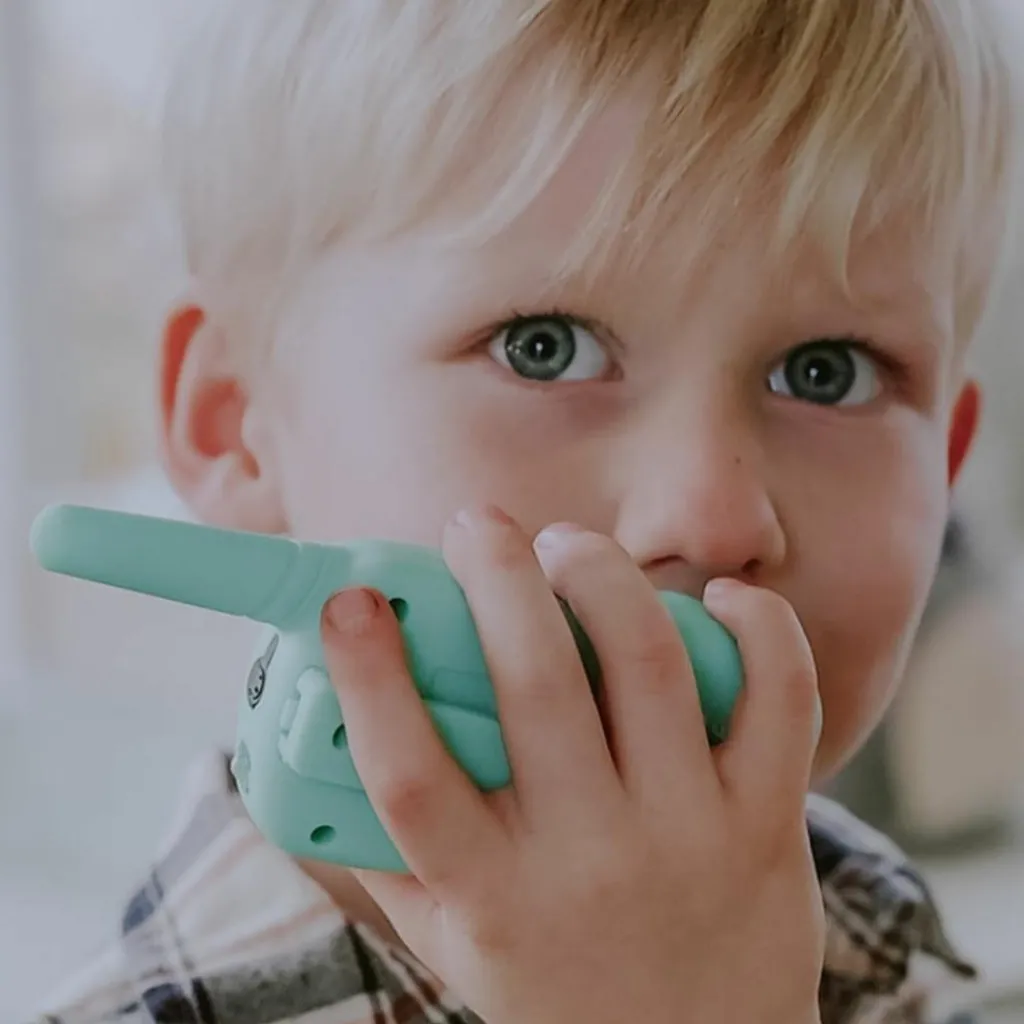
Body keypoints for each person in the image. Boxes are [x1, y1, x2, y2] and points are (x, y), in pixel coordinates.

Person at [28, 1, 1022, 1021]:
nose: (711, 518)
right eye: (544, 348)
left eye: (827, 372)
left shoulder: (880, 937)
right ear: (237, 423)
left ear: (944, 467)